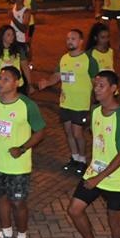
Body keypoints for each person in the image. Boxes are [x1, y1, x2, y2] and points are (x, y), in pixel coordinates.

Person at [67, 71, 120, 238]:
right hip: (96, 171)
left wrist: (98, 178)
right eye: (95, 85)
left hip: (117, 177)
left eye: (101, 85)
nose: (96, 89)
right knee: (74, 209)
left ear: (114, 88)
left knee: (114, 220)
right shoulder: (96, 111)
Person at [0, 65, 45, 238]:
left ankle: (22, 235)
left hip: (18, 166)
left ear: (18, 82)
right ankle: (7, 232)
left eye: (6, 79)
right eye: (0, 78)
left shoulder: (27, 105)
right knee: (0, 198)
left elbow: (40, 131)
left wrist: (23, 148)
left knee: (18, 202)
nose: (1, 82)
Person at [38, 29, 99, 175]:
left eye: (73, 38)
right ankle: (74, 158)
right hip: (65, 103)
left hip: (81, 104)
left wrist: (96, 101)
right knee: (68, 132)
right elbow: (57, 76)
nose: (69, 41)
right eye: (68, 39)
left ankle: (83, 161)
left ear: (81, 41)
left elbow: (96, 82)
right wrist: (47, 82)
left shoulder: (89, 60)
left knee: (78, 133)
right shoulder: (64, 58)